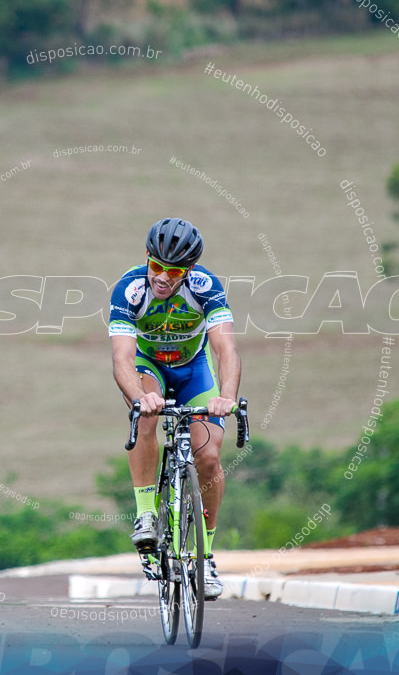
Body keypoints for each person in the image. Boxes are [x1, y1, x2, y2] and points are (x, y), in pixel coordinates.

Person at [108, 218, 241, 600]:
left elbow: (225, 349)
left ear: (189, 272)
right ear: (146, 258)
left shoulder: (207, 288)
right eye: (156, 267)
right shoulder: (129, 289)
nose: (163, 277)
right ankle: (147, 512)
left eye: (174, 271)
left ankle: (206, 557)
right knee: (147, 415)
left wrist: (227, 396)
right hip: (149, 367)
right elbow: (122, 359)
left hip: (193, 371)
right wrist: (139, 395)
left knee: (210, 458)